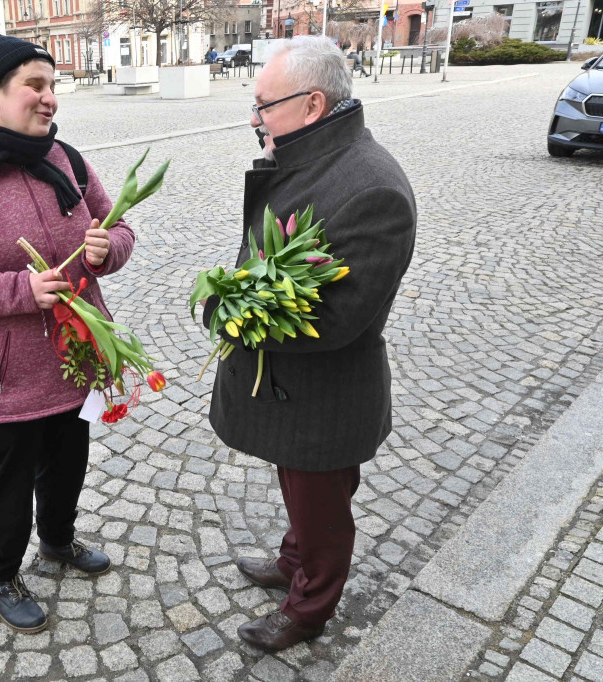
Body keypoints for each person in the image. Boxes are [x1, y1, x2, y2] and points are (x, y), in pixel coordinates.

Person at [0, 32, 136, 633]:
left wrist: (105, 247)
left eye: (54, 85)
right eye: (35, 86)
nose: (50, 98)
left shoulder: (69, 161)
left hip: (76, 357)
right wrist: (20, 290)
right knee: (7, 479)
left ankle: (57, 543)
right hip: (4, 374)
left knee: (69, 460)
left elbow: (122, 230)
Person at [202, 36, 416, 651]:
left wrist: (231, 313)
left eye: (265, 104)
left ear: (313, 105)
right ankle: (293, 560)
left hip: (325, 395)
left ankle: (308, 606)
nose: (255, 117)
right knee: (299, 487)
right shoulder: (315, 157)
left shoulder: (369, 186)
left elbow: (339, 317)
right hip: (296, 392)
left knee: (323, 506)